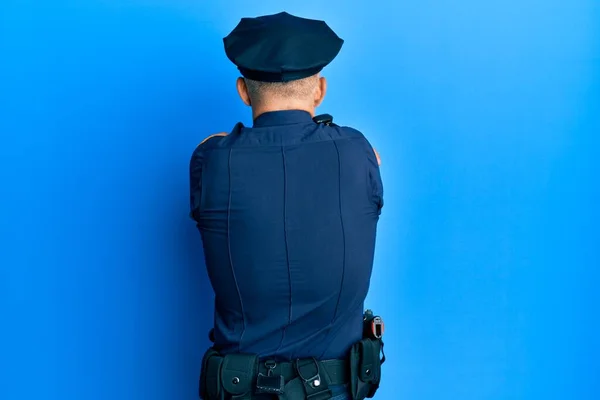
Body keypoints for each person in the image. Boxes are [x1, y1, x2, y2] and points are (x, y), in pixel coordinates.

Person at [189, 11, 384, 400]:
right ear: (320, 89)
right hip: (338, 390)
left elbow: (214, 143)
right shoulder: (361, 154)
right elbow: (371, 158)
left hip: (239, 390)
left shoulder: (210, 161)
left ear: (243, 91)